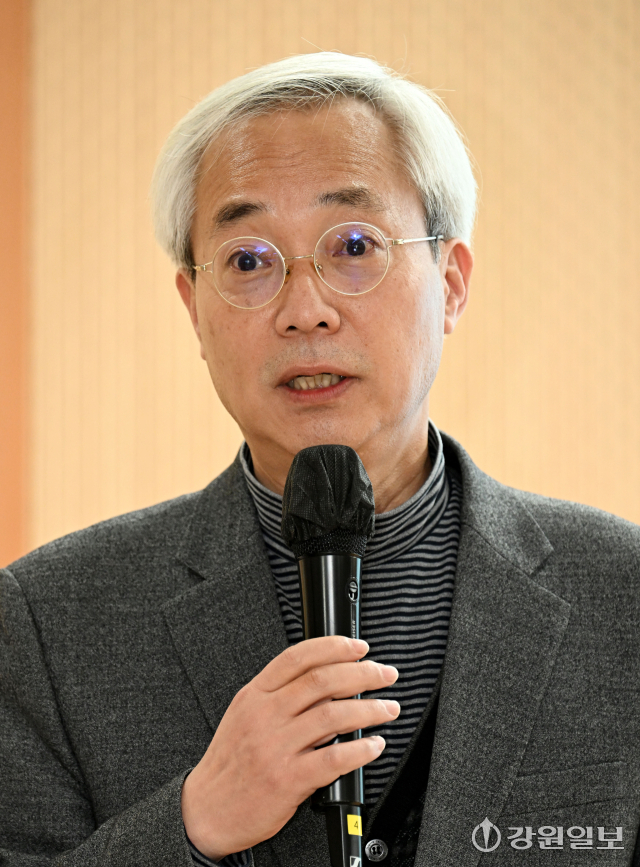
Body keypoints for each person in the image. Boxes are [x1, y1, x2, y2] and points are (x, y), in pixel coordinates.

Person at [1, 52, 639, 867]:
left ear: (451, 282)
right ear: (194, 310)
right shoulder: (48, 623)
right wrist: (192, 823)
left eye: (354, 245)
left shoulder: (623, 596)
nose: (305, 310)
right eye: (248, 261)